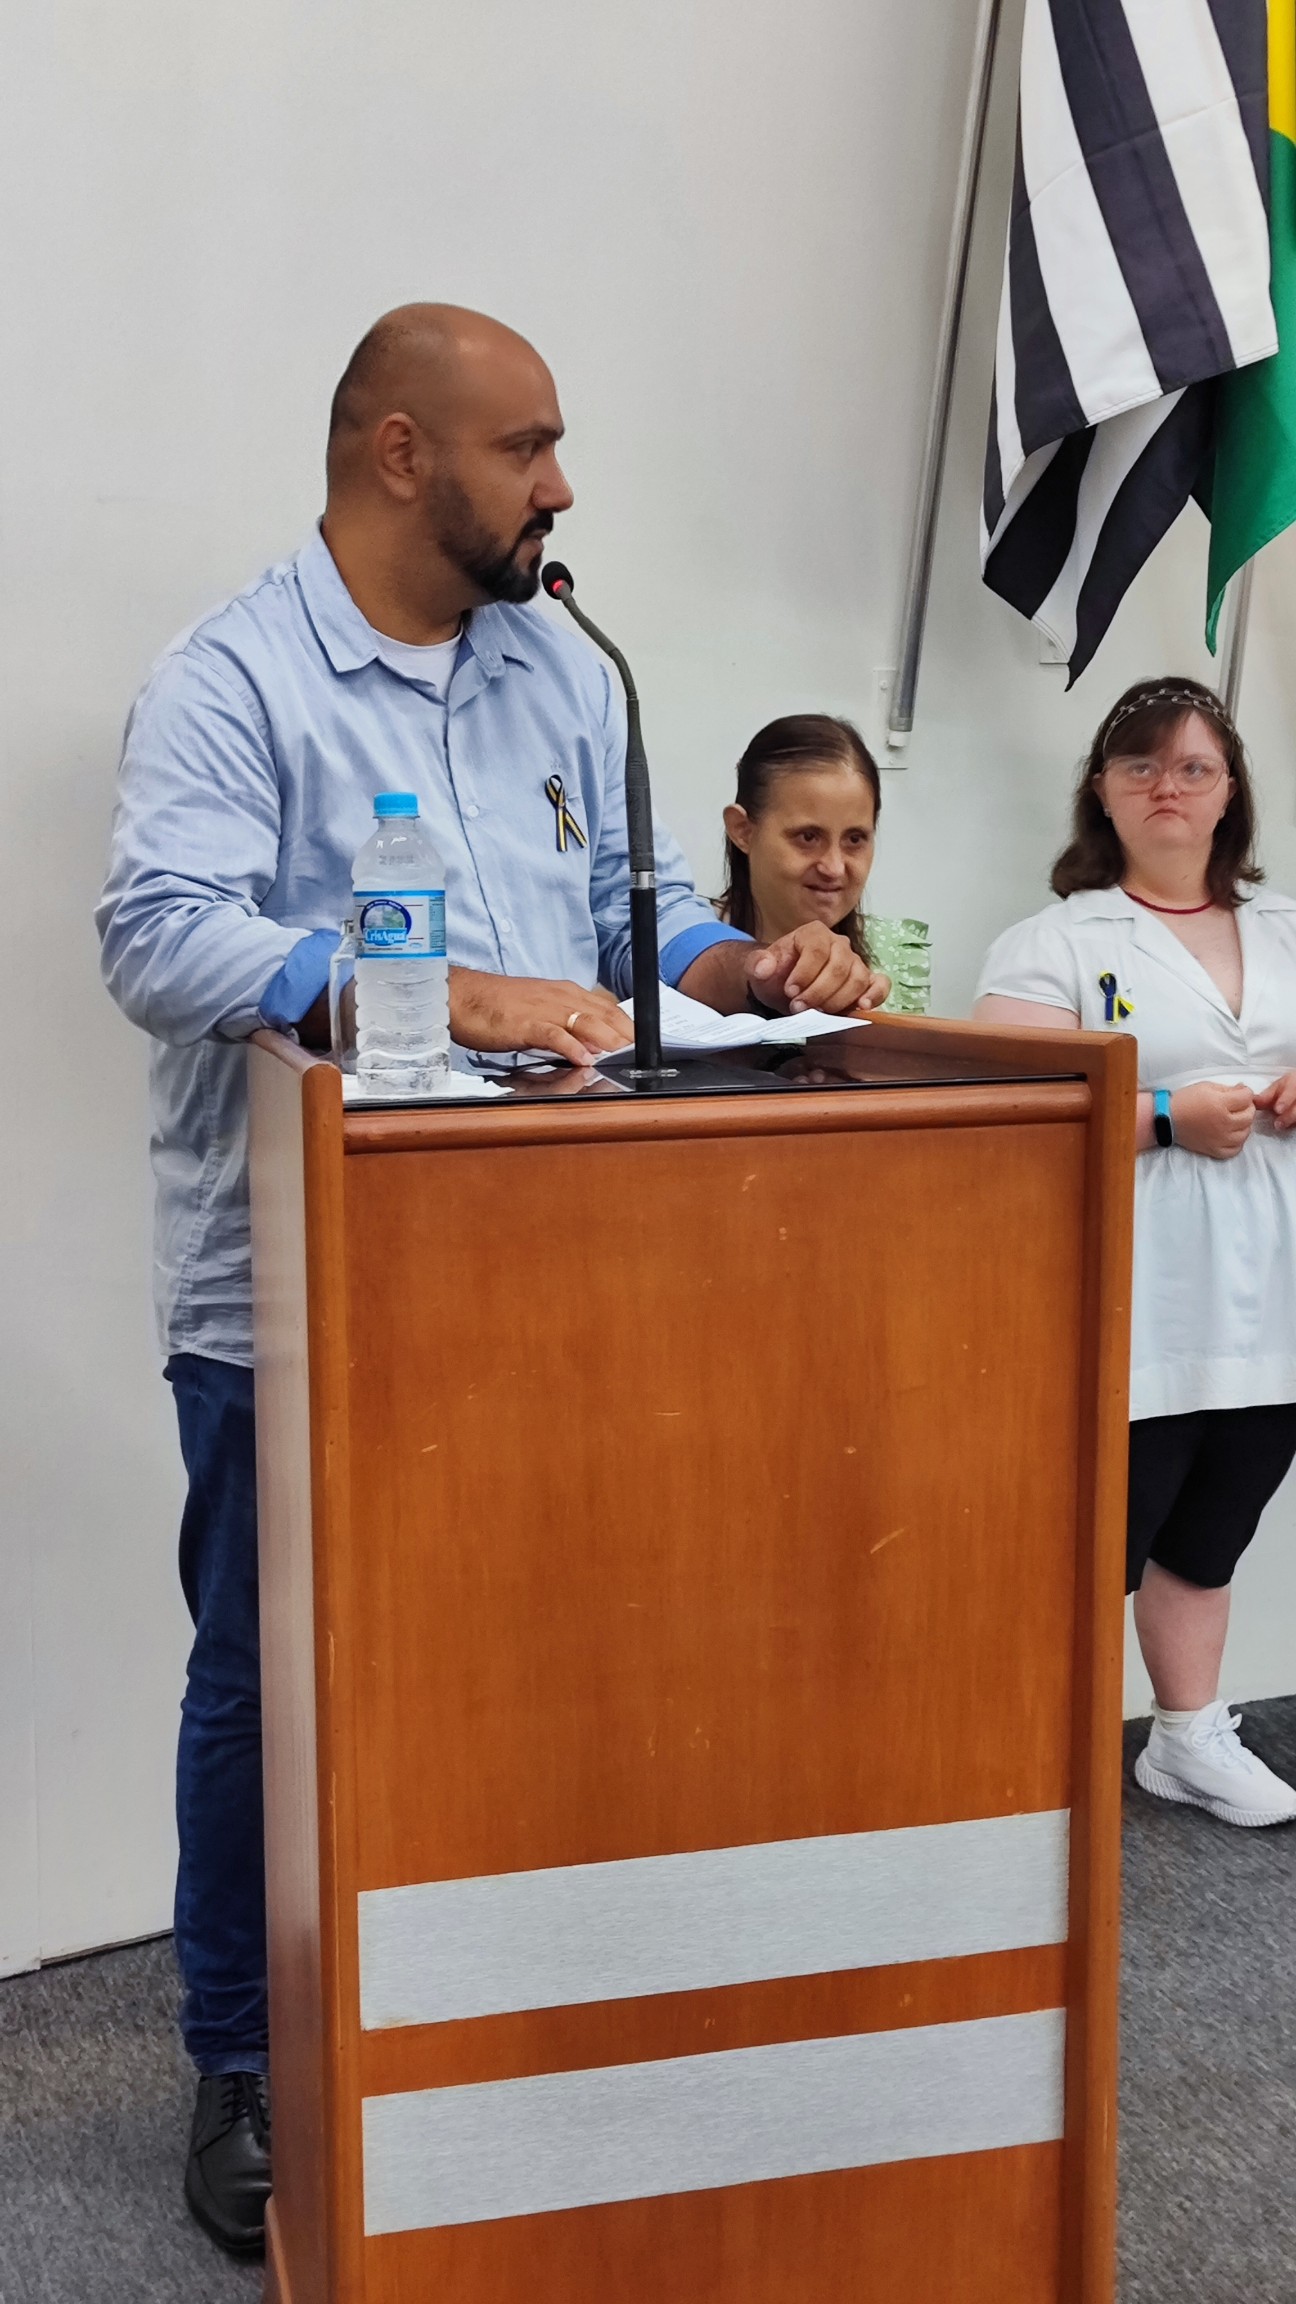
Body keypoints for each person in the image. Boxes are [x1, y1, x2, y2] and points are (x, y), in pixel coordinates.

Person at [96, 303, 879, 2259]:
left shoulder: (560, 669)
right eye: (526, 446)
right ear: (399, 456)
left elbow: (638, 913)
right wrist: (421, 994)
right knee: (266, 1675)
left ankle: (501, 2022)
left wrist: (746, 966)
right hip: (298, 1290)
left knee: (524, 1660)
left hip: (561, 1272)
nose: (561, 485)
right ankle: (244, 2060)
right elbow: (159, 935)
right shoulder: (236, 677)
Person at [976, 675, 1296, 1831]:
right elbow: (1012, 1118)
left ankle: (1185, 1738)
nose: (1169, 786)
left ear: (1229, 793)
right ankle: (1023, 1763)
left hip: (1271, 1295)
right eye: (1141, 765)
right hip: (1134, 1295)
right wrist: (1164, 1116)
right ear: (1102, 793)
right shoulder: (1051, 944)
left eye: (1194, 767)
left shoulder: (1286, 927)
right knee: (1097, 1541)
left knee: (1214, 1531)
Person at [717, 712, 890, 1002]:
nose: (834, 867)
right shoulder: (680, 952)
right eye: (808, 837)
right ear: (742, 830)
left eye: (854, 839)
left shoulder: (894, 956)